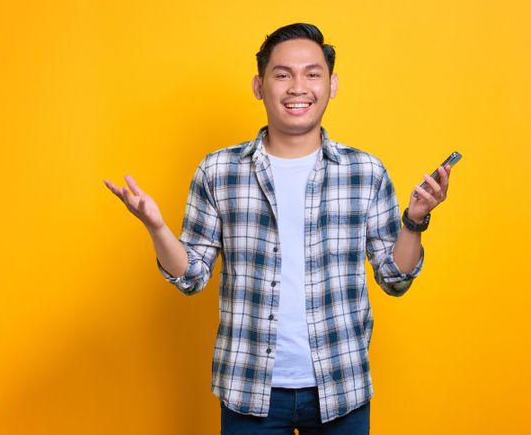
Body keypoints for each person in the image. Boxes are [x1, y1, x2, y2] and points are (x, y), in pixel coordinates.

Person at [104, 22, 452, 435]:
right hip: (250, 390)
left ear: (332, 84)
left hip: (341, 387)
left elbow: (394, 279)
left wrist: (414, 221)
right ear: (259, 85)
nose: (297, 87)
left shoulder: (366, 172)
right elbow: (191, 277)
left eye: (312, 73)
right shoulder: (219, 171)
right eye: (283, 74)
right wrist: (157, 227)